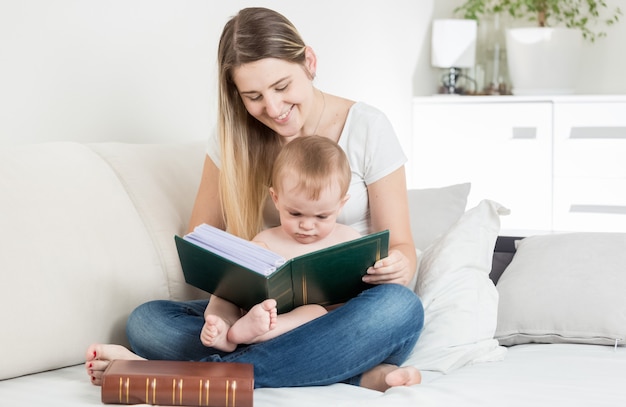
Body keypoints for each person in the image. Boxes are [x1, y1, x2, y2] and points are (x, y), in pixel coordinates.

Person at [86, 7, 424, 391]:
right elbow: (202, 235)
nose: (274, 109)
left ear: (309, 62)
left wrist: (397, 265)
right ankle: (354, 372)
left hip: (347, 316)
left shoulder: (367, 127)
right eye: (254, 96)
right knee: (147, 320)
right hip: (259, 318)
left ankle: (190, 378)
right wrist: (237, 289)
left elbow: (402, 247)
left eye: (282, 87)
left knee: (400, 308)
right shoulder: (233, 139)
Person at [202, 135, 361, 352]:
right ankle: (222, 328)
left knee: (315, 311)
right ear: (276, 198)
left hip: (314, 330)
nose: (306, 225)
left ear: (341, 205)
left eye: (322, 216)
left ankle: (254, 335)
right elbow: (241, 286)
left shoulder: (349, 240)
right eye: (294, 213)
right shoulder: (266, 240)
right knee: (222, 293)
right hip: (260, 312)